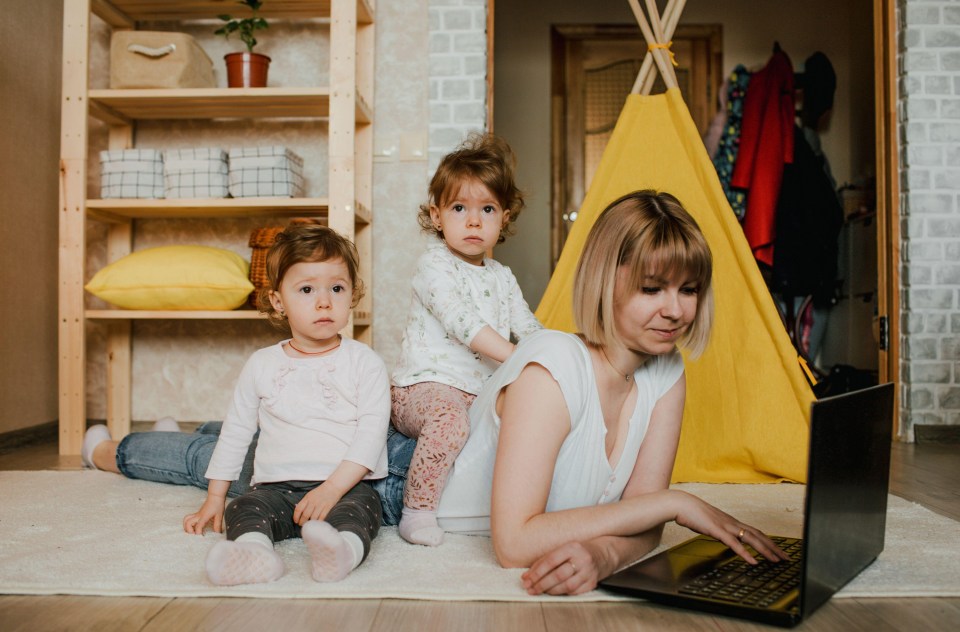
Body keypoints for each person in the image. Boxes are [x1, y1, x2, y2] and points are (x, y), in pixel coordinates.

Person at [377, 189, 789, 595]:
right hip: (392, 480)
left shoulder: (667, 370)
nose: (675, 311)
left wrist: (603, 556)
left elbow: (640, 518)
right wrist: (676, 503)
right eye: (651, 289)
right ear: (605, 282)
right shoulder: (551, 369)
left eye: (689, 289)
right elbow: (514, 545)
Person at [82, 222, 390, 586]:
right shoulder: (263, 363)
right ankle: (255, 554)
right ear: (278, 301)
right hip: (276, 487)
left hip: (345, 487)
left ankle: (342, 553)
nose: (324, 301)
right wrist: (216, 497)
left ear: (352, 294)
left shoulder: (364, 361)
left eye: (337, 288)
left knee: (363, 511)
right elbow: (237, 432)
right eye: (306, 289)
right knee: (243, 509)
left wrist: (333, 489)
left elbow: (371, 433)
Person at [390, 132, 542, 546]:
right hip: (422, 389)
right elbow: (463, 323)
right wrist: (517, 359)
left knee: (527, 415)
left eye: (487, 209)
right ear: (437, 215)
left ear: (504, 218)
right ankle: (417, 510)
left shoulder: (501, 277)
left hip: (477, 392)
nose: (473, 221)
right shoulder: (433, 265)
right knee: (449, 420)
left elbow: (527, 327)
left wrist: (552, 354)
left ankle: (514, 505)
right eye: (460, 208)